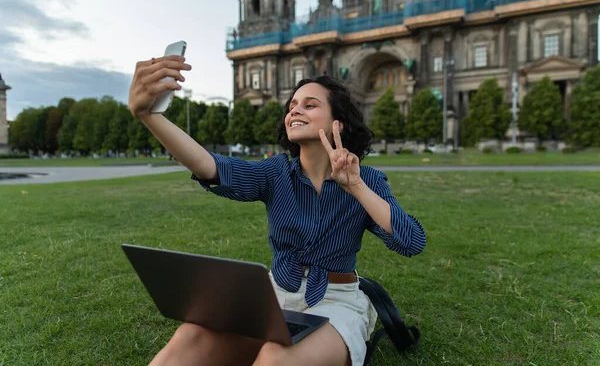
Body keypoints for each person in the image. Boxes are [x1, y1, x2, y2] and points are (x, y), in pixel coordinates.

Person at [127, 55, 426, 366]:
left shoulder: (368, 180)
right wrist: (148, 116)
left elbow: (411, 242)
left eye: (310, 105)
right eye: (292, 105)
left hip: (336, 301)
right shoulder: (275, 173)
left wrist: (356, 187)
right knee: (190, 336)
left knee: (274, 358)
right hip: (273, 295)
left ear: (338, 123)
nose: (294, 109)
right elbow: (211, 166)